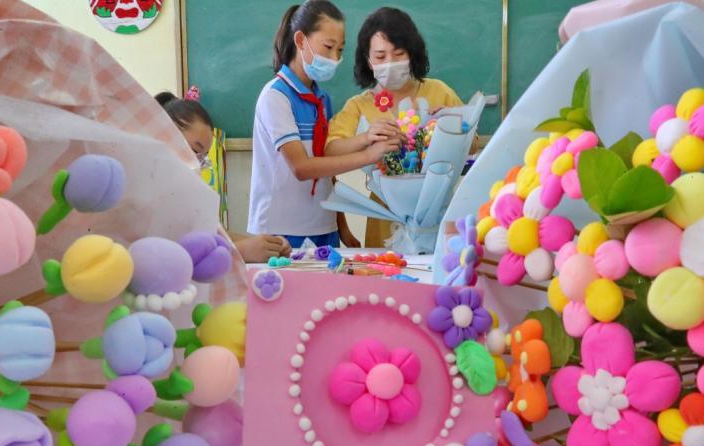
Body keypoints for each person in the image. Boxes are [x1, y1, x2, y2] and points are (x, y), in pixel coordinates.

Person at [248, 0, 399, 249]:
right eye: (328, 47)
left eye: (340, 50)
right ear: (300, 40)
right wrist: (369, 155)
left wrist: (342, 227)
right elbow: (302, 167)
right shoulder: (276, 96)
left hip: (324, 227)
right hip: (283, 229)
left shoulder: (321, 99)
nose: (335, 58)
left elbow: (327, 167)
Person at [326, 7, 476, 247]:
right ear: (368, 60)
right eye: (380, 56)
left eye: (398, 54)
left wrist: (450, 124)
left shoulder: (439, 91)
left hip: (435, 213)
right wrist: (366, 138)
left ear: (411, 53)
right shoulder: (359, 105)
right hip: (383, 215)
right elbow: (330, 150)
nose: (390, 63)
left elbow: (473, 145)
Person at [156, 91, 292, 262]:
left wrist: (267, 245)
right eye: (195, 150)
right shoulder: (144, 187)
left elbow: (211, 231)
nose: (197, 163)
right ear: (165, 132)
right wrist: (240, 251)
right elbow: (165, 255)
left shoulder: (181, 189)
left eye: (203, 158)